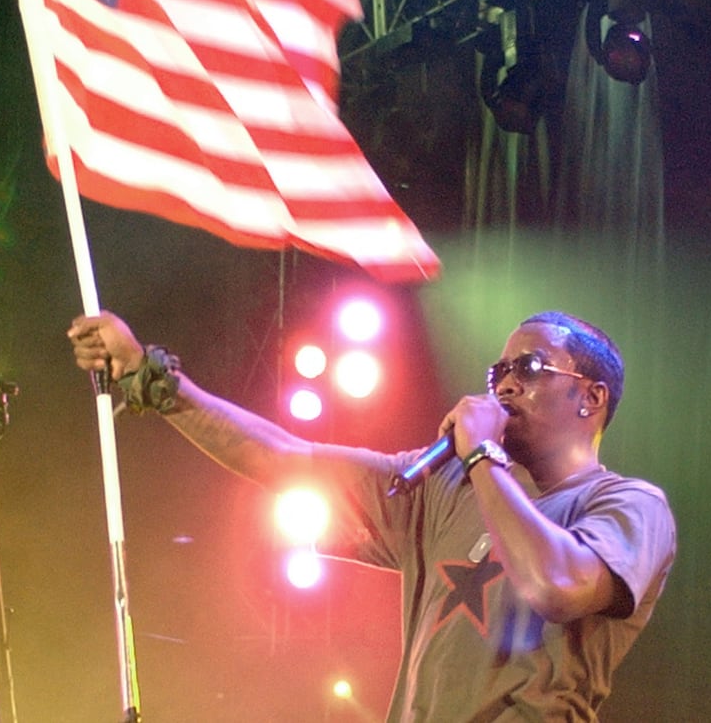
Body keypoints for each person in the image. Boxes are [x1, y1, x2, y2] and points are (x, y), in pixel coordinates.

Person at [68, 309, 676, 722]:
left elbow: (556, 585)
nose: (504, 386)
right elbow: (288, 458)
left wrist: (482, 454)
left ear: (591, 398)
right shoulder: (450, 485)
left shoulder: (626, 505)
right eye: (499, 372)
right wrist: (152, 378)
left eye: (531, 369)